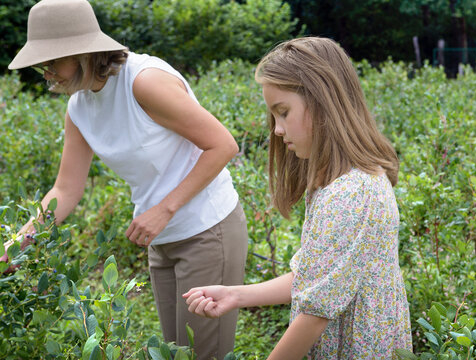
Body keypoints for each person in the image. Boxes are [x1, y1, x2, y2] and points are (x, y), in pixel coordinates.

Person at [3, 0, 248, 358]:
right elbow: (65, 190)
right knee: (175, 351)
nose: (47, 73)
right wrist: (15, 246)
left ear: (83, 52)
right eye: (43, 64)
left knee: (204, 354)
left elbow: (223, 146)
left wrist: (163, 209)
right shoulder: (79, 108)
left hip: (208, 230)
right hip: (160, 240)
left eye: (52, 61)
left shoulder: (144, 82)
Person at [183, 36, 413, 359]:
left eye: (283, 112)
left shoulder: (350, 195)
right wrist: (235, 295)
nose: (277, 130)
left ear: (322, 102)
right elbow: (314, 275)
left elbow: (313, 317)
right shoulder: (343, 181)